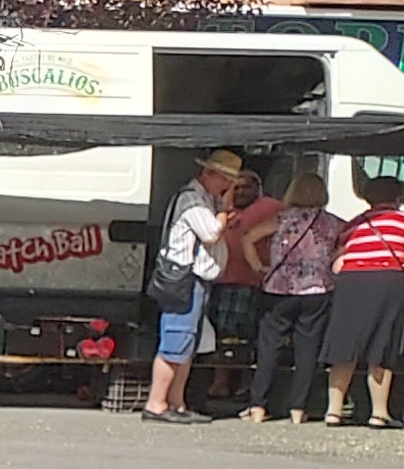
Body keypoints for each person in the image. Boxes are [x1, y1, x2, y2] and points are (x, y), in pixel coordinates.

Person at [321, 185, 404, 429]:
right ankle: (379, 413)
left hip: (351, 281)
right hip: (387, 280)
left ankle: (333, 411)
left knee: (345, 342)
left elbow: (337, 264)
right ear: (398, 198)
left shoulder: (354, 224)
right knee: (382, 343)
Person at [140, 149, 239, 423]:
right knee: (175, 340)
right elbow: (211, 233)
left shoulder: (205, 199)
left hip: (197, 280)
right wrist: (224, 211)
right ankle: (157, 403)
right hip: (185, 279)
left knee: (186, 345)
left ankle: (176, 402)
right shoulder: (193, 200)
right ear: (208, 173)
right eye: (225, 179)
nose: (227, 186)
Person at [240, 171, 341, 423]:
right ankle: (298, 408)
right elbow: (348, 241)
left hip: (278, 288)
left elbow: (248, 238)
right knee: (307, 349)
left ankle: (258, 405)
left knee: (269, 347)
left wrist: (258, 267)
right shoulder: (332, 223)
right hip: (317, 290)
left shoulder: (281, 218)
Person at [209, 164, 280, 368]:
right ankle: (220, 380)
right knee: (220, 338)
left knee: (244, 339)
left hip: (250, 283)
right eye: (236, 187)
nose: (240, 192)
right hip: (221, 281)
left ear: (258, 188)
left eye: (246, 187)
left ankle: (244, 381)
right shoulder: (224, 211)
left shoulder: (270, 207)